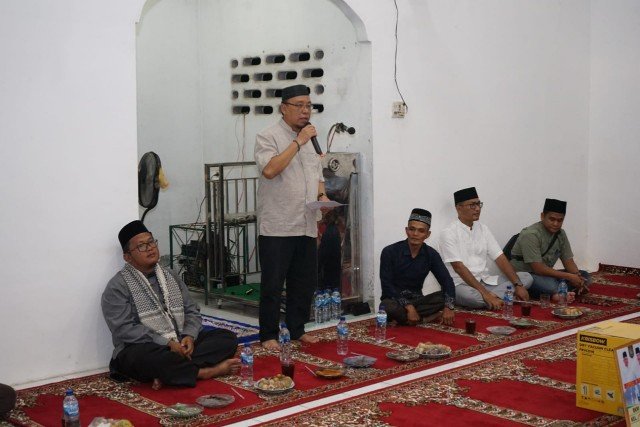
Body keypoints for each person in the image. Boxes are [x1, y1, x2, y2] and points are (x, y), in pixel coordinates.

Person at [101, 220, 240, 388]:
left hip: (179, 340)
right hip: (143, 348)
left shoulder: (171, 275)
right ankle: (203, 372)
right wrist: (166, 343)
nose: (150, 248)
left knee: (227, 338)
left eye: (151, 242)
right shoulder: (117, 287)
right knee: (152, 358)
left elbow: (191, 311)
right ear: (127, 257)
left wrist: (189, 336)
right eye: (142, 246)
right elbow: (124, 329)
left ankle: (170, 372)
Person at [254, 84, 329, 350]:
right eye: (299, 105)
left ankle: (297, 328)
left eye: (308, 105)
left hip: (306, 222)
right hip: (278, 224)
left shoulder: (311, 141)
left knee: (304, 282)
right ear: (283, 108)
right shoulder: (268, 136)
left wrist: (323, 197)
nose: (305, 111)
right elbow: (270, 169)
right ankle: (268, 334)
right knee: (273, 284)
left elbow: (317, 176)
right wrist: (298, 142)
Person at [439, 187, 533, 309]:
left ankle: (494, 297)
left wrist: (518, 285)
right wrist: (485, 294)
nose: (478, 209)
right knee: (474, 298)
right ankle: (500, 296)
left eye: (479, 204)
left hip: (485, 281)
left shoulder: (483, 229)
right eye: (472, 205)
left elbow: (500, 258)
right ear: (459, 208)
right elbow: (459, 268)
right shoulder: (448, 233)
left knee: (526, 277)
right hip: (460, 284)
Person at [380, 209, 456, 326]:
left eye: (421, 231)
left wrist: (449, 307)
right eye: (412, 229)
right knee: (387, 307)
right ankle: (423, 319)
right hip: (395, 301)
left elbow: (447, 281)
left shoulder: (431, 254)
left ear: (428, 234)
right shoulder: (389, 252)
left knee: (446, 296)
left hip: (418, 300)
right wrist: (409, 307)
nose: (415, 234)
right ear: (406, 230)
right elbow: (387, 286)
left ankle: (405, 320)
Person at [509, 198, 590, 300]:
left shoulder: (561, 234)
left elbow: (568, 261)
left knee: (585, 276)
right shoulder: (531, 234)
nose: (556, 224)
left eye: (560, 220)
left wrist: (577, 277)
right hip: (526, 274)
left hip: (546, 274)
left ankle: (559, 292)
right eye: (552, 219)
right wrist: (569, 277)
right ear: (542, 216)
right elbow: (538, 269)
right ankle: (557, 292)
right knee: (551, 286)